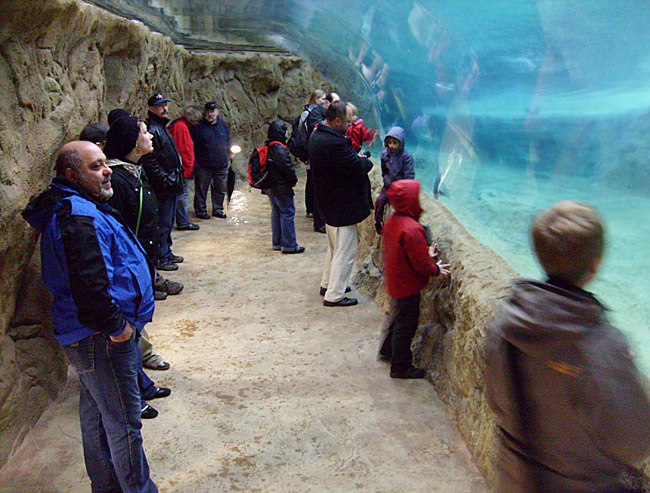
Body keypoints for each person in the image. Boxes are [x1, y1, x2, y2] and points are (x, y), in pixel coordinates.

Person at [484, 200, 650, 492]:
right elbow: (633, 442)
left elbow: (496, 401)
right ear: (595, 264)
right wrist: (620, 370)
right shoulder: (602, 345)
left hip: (515, 477)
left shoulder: (503, 324)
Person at [22, 141, 158, 492]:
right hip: (100, 337)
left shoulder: (80, 206)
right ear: (72, 175)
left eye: (105, 163)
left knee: (97, 413)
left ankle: (107, 486)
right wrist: (118, 328)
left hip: (91, 335)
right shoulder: (79, 216)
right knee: (123, 423)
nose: (107, 169)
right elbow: (89, 286)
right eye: (96, 166)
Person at [104, 115, 179, 375]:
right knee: (128, 313)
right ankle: (135, 363)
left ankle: (141, 355)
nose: (150, 137)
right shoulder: (117, 180)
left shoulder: (135, 171)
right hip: (127, 262)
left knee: (138, 310)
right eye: (145, 133)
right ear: (133, 143)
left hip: (142, 256)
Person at [377, 180, 450, 378]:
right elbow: (420, 264)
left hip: (395, 282)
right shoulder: (412, 229)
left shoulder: (394, 221)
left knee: (397, 319)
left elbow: (407, 253)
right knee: (406, 325)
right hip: (408, 286)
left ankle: (387, 350)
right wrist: (435, 268)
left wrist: (424, 252)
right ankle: (400, 367)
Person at [308, 101, 373, 307]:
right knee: (345, 252)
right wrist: (365, 161)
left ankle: (328, 284)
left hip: (328, 203)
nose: (350, 124)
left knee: (334, 248)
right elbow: (356, 166)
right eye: (347, 120)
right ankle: (335, 295)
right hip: (342, 206)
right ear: (337, 121)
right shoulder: (334, 143)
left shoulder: (318, 135)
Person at [141, 93, 185, 271]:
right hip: (164, 185)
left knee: (168, 219)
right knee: (162, 221)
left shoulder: (162, 128)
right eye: (160, 106)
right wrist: (163, 180)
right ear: (151, 108)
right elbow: (150, 161)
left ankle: (166, 251)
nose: (165, 109)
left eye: (165, 105)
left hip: (171, 182)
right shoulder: (153, 129)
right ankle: (161, 256)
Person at [262, 120, 304, 254]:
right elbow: (286, 167)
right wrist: (293, 179)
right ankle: (289, 245)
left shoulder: (269, 146)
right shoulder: (278, 148)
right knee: (287, 213)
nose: (286, 133)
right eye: (284, 130)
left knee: (276, 212)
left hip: (271, 187)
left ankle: (277, 242)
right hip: (281, 187)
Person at [190, 102, 234, 219]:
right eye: (208, 111)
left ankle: (218, 209)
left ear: (217, 112)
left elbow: (228, 140)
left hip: (221, 164)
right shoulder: (198, 127)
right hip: (204, 165)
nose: (210, 114)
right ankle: (200, 211)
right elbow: (192, 145)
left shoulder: (223, 125)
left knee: (220, 188)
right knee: (201, 189)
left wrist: (230, 153)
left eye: (212, 111)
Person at [307, 91, 340, 234]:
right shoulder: (317, 115)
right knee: (318, 190)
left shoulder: (320, 114)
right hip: (317, 158)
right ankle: (319, 222)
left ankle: (318, 217)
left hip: (318, 158)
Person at [375, 126, 414, 234]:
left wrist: (402, 187)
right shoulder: (384, 155)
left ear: (401, 143)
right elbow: (384, 172)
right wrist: (388, 182)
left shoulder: (406, 157)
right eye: (389, 142)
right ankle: (378, 222)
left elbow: (409, 175)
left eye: (395, 143)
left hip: (401, 187)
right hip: (388, 185)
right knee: (380, 201)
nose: (391, 146)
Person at [169, 105, 202, 231]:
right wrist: (187, 169)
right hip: (182, 169)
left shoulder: (180, 126)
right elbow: (183, 150)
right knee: (181, 197)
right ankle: (183, 221)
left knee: (180, 197)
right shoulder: (180, 127)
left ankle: (181, 220)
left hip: (182, 168)